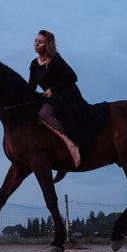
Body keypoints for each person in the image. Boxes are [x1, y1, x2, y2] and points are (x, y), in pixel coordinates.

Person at [28, 30, 87, 167]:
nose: (36, 44)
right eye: (36, 41)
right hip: (51, 98)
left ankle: (71, 146)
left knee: (44, 113)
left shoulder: (55, 60)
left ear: (47, 44)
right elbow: (31, 86)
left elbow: (72, 77)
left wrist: (52, 89)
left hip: (66, 95)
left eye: (40, 42)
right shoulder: (34, 64)